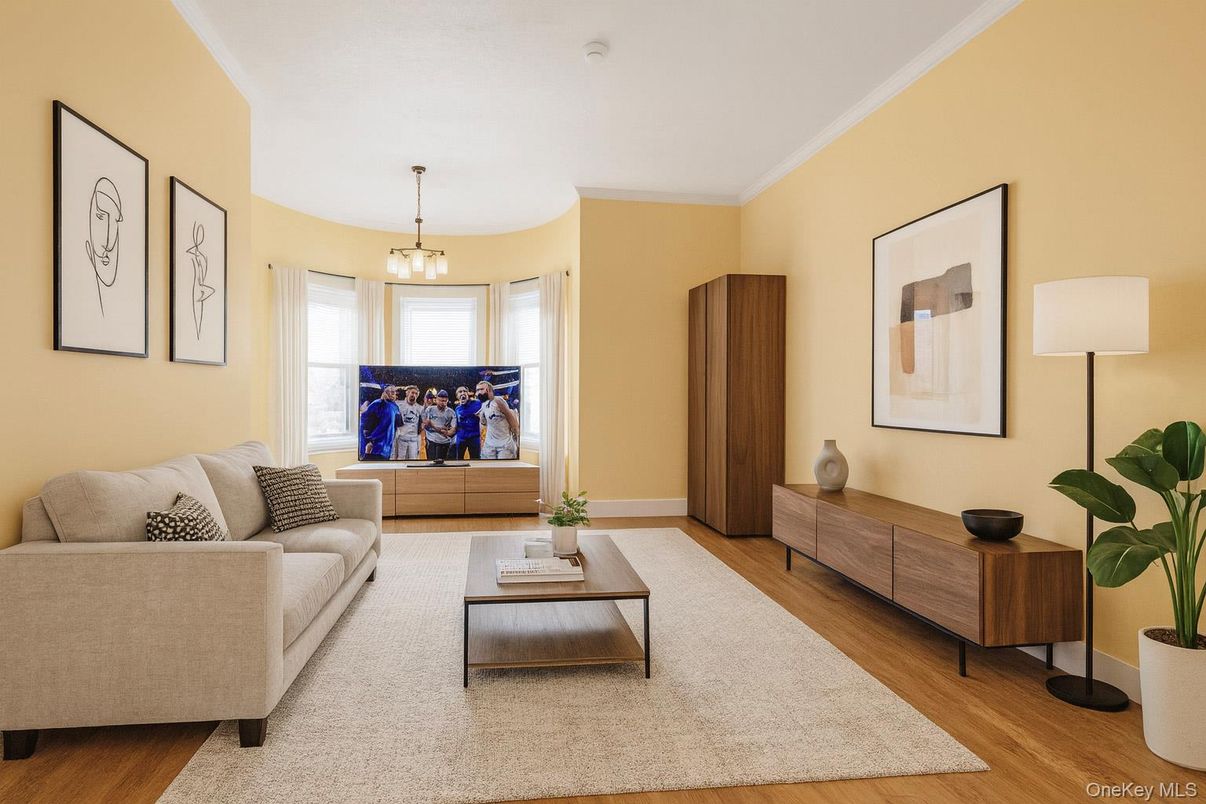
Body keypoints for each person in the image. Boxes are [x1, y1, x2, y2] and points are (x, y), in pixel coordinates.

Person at [476, 380, 519, 459]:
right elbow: (483, 424)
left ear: (488, 390)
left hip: (504, 445)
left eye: (481, 389)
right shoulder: (484, 405)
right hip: (489, 445)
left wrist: (517, 440)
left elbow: (512, 419)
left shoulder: (498, 400)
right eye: (477, 390)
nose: (478, 392)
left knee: (502, 469)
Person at [359, 386, 399, 461]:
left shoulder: (395, 407)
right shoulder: (377, 403)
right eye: (391, 392)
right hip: (375, 447)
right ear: (384, 393)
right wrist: (369, 440)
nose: (393, 395)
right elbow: (364, 420)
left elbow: (398, 426)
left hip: (386, 448)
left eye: (394, 393)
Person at [422, 390, 457, 461]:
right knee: (431, 463)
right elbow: (425, 425)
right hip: (431, 441)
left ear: (447, 400)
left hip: (444, 442)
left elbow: (453, 430)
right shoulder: (430, 409)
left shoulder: (451, 412)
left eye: (444, 401)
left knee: (443, 465)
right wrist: (441, 430)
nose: (442, 403)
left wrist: (446, 432)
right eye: (440, 400)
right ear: (436, 400)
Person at [391, 385, 424, 460]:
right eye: (412, 393)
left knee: (413, 460)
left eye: (416, 394)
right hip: (401, 438)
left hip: (414, 439)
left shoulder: (420, 408)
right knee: (400, 460)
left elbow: (422, 424)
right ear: (407, 393)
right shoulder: (398, 405)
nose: (414, 395)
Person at [452, 385, 482, 460]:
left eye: (465, 391)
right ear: (457, 396)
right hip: (461, 438)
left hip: (474, 437)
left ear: (468, 394)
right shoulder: (457, 409)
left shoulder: (478, 403)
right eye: (460, 392)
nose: (463, 393)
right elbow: (456, 424)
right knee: (459, 459)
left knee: (475, 460)